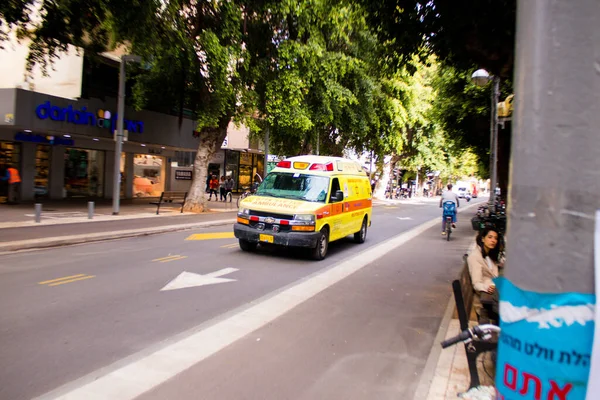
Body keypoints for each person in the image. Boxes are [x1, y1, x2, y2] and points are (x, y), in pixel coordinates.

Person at [467, 227, 501, 321]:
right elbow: (476, 283)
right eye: (490, 237)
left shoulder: (488, 255)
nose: (493, 240)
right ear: (482, 238)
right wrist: (487, 288)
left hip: (493, 299)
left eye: (495, 238)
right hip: (485, 304)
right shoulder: (475, 257)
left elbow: (491, 272)